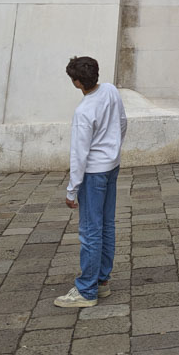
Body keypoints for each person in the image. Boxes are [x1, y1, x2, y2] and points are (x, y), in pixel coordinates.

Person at [54, 56, 127, 308]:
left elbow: (79, 154)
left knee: (90, 231)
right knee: (107, 225)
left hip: (93, 173)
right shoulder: (110, 90)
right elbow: (122, 123)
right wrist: (114, 150)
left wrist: (71, 190)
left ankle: (86, 290)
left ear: (77, 83)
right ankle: (102, 281)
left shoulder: (83, 111)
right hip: (112, 167)